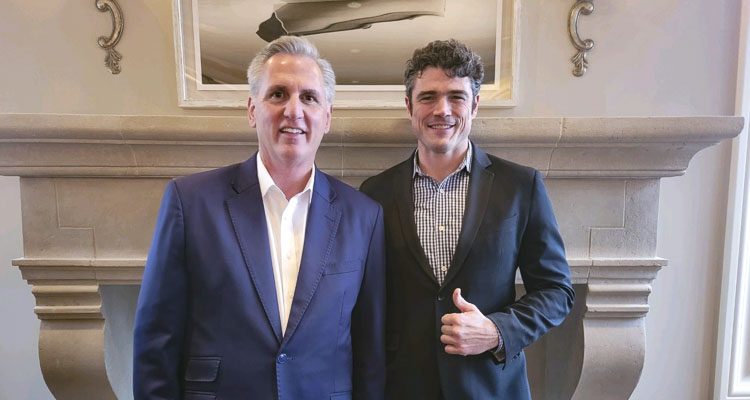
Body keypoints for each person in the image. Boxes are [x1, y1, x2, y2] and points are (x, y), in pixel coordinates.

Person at [134, 36, 385, 400]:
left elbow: (370, 353)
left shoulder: (364, 216)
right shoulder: (190, 202)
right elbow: (156, 342)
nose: (293, 111)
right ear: (252, 110)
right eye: (278, 94)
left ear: (327, 117)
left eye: (309, 97)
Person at [359, 39, 575, 399]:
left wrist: (496, 331)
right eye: (428, 97)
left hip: (491, 387)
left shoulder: (521, 186)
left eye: (456, 97)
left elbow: (557, 291)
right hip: (402, 388)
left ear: (474, 105)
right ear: (409, 106)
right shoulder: (374, 193)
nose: (441, 110)